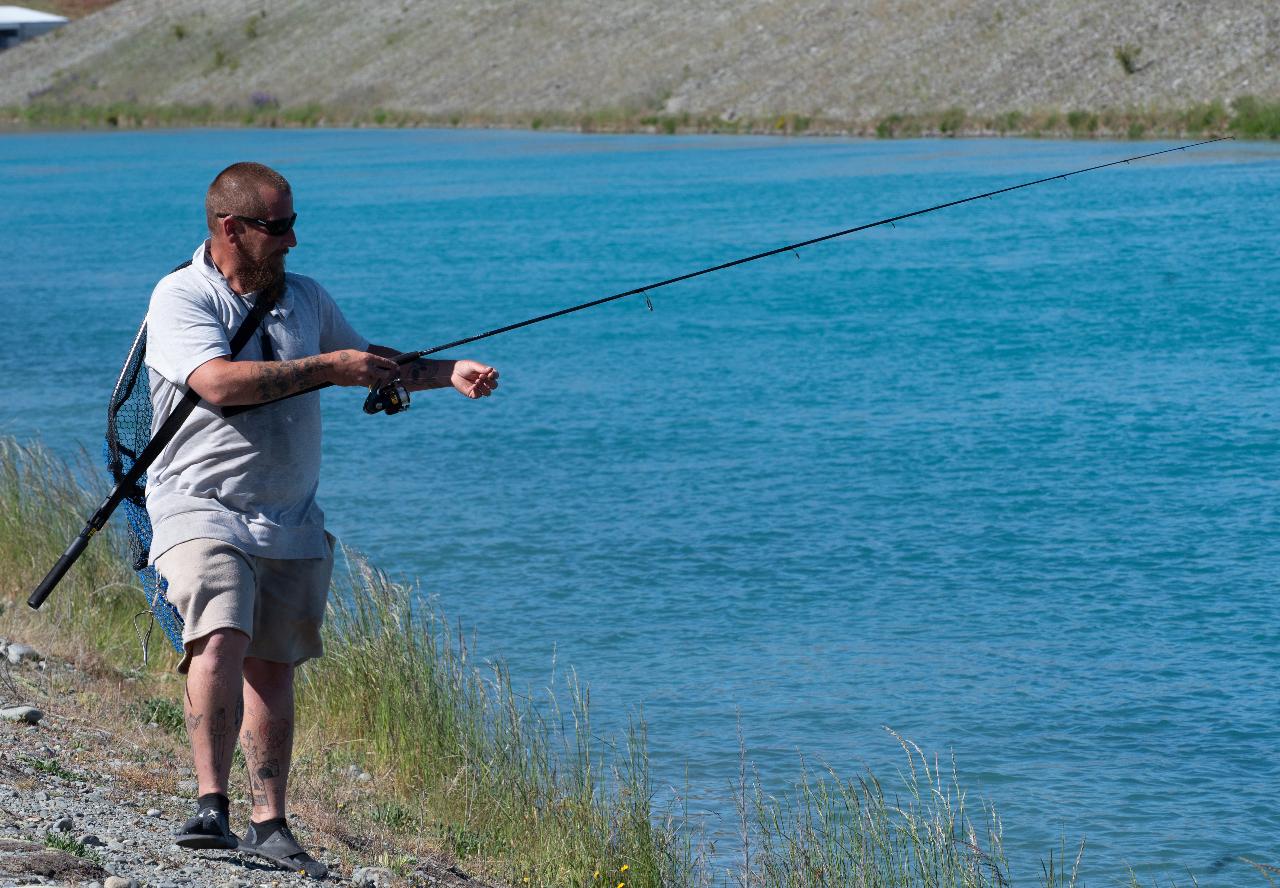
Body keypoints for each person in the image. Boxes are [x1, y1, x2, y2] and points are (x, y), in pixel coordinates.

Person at [144, 162, 498, 878]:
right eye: (278, 228)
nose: (293, 240)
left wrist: (444, 371)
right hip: (197, 503)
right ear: (230, 228)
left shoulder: (305, 298)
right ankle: (211, 805)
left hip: (291, 516)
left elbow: (366, 362)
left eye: (295, 222)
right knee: (221, 637)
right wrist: (328, 368)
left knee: (275, 666)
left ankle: (269, 822)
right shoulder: (182, 296)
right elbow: (217, 384)